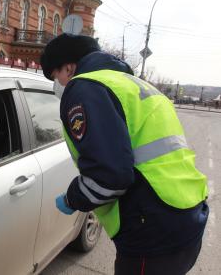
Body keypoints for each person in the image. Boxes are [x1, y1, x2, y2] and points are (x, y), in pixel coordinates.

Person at [40, 33, 209, 275]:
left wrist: (72, 198)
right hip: (189, 211)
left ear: (69, 66)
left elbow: (109, 177)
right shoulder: (135, 85)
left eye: (56, 76)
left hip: (153, 229)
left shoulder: (85, 86)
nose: (59, 84)